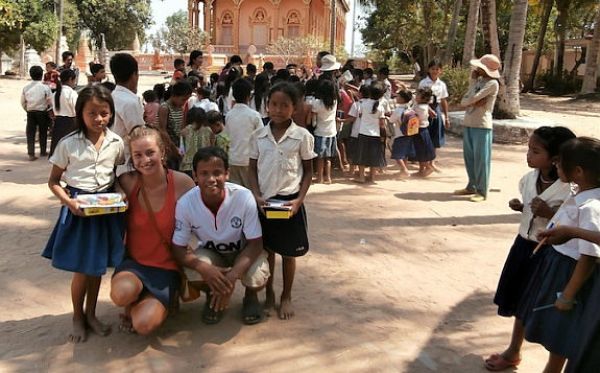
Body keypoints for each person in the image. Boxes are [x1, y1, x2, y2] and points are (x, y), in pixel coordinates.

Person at [484, 126, 576, 371]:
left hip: (550, 253)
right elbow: (530, 207)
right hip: (523, 246)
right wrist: (521, 206)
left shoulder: (572, 189)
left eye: (535, 151)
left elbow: (577, 222)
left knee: (543, 307)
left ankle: (551, 365)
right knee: (518, 301)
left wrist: (550, 213)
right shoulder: (529, 179)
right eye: (528, 149)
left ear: (556, 158)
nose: (528, 155)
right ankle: (514, 350)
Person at [42, 85, 126, 343]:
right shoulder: (68, 144)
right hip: (78, 211)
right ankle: (78, 317)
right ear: (80, 113)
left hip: (105, 210)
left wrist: (120, 192)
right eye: (92, 113)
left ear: (111, 113)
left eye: (104, 112)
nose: (99, 119)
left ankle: (92, 314)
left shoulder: (116, 143)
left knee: (96, 268)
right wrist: (69, 202)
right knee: (82, 269)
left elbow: (115, 176)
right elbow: (54, 181)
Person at [516, 137, 600, 373]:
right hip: (558, 265)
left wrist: (568, 294)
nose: (556, 168)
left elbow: (589, 256)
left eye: (560, 164)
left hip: (568, 272)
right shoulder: (582, 195)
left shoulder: (591, 206)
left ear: (579, 171)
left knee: (562, 332)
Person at [110, 125, 195, 335]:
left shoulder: (182, 183)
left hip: (167, 268)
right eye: (137, 155)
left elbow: (199, 219)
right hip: (135, 264)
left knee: (144, 325)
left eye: (150, 153)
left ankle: (160, 299)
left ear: (162, 152)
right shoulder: (128, 182)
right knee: (121, 294)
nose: (144, 160)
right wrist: (118, 190)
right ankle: (134, 300)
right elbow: (108, 184)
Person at [172, 147, 270, 325]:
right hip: (213, 254)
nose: (211, 179)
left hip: (244, 252)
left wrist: (232, 277)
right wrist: (206, 269)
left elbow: (255, 244)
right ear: (194, 175)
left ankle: (251, 296)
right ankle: (213, 293)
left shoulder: (243, 197)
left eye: (217, 173)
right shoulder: (185, 203)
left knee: (257, 276)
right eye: (204, 173)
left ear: (227, 174)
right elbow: (178, 249)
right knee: (193, 272)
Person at [248, 82, 316, 320]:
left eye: (284, 105)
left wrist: (299, 200)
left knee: (289, 255)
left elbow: (308, 171)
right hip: (265, 203)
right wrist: (256, 195)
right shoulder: (258, 136)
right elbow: (252, 169)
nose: (278, 110)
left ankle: (286, 296)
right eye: (273, 104)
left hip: (289, 204)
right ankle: (269, 294)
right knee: (267, 253)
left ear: (294, 108)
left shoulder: (302, 137)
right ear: (267, 106)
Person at [454, 54, 501, 202]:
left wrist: (471, 101)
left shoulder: (492, 84)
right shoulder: (479, 81)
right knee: (470, 157)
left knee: (481, 159)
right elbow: (466, 99)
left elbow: (473, 98)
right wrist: (473, 81)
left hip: (481, 125)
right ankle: (472, 185)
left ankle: (482, 190)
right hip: (469, 122)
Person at [110, 53, 145, 175]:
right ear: (134, 75)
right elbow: (139, 135)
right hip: (127, 162)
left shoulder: (112, 97)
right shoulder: (130, 102)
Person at [224, 78, 263, 187]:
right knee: (250, 192)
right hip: (249, 161)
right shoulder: (254, 115)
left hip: (232, 159)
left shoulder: (229, 115)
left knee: (235, 192)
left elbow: (227, 137)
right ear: (249, 96)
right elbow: (262, 137)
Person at [353, 82, 387, 184]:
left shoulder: (363, 104)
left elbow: (360, 115)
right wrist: (383, 135)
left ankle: (361, 177)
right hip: (375, 135)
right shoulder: (380, 107)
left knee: (361, 156)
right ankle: (372, 178)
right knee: (374, 157)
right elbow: (382, 123)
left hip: (363, 133)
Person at [158, 80, 193, 170]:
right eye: (183, 99)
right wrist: (173, 148)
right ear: (174, 96)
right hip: (169, 149)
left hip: (178, 147)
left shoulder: (180, 108)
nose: (184, 102)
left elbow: (181, 128)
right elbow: (162, 131)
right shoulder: (165, 108)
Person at [21, 65, 52, 161]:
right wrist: (49, 109)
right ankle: (43, 151)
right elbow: (50, 101)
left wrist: (27, 109)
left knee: (30, 133)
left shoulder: (26, 88)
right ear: (41, 75)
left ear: (30, 75)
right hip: (42, 112)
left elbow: (22, 101)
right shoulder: (45, 88)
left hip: (30, 112)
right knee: (43, 132)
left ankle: (31, 153)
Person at [419, 60, 450, 155]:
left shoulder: (442, 84)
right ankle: (424, 161)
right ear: (429, 69)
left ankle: (432, 160)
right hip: (424, 110)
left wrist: (446, 117)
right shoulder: (423, 83)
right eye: (433, 69)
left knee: (436, 135)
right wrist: (428, 109)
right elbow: (419, 99)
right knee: (425, 134)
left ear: (440, 71)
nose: (435, 71)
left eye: (437, 69)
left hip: (436, 110)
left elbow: (444, 100)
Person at [311, 79, 338, 184]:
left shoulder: (317, 103)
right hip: (331, 132)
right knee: (328, 157)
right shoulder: (334, 102)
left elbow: (313, 118)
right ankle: (328, 177)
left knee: (320, 157)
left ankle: (320, 178)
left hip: (320, 132)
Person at [50, 69, 78, 157]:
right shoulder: (72, 93)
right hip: (71, 123)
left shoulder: (55, 94)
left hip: (58, 122)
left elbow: (54, 109)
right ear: (70, 79)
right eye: (74, 80)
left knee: (58, 147)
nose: (75, 83)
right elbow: (76, 108)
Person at [387, 89, 415, 178]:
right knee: (405, 153)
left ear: (402, 99)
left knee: (397, 154)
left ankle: (404, 170)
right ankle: (403, 170)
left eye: (398, 96)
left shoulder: (398, 110)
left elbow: (391, 120)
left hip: (399, 134)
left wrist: (387, 117)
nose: (396, 98)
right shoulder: (409, 108)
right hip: (409, 133)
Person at [180, 107, 213, 177]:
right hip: (205, 164)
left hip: (188, 166)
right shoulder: (209, 131)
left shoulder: (184, 131)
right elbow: (212, 147)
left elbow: (182, 151)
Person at [411, 87, 436, 177]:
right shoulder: (420, 104)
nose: (416, 96)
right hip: (419, 130)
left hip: (420, 130)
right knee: (420, 151)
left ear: (424, 98)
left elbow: (416, 117)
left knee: (422, 151)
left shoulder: (421, 108)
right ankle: (421, 169)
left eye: (418, 95)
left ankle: (428, 167)